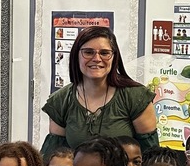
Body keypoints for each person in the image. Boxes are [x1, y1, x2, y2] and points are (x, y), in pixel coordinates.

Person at [41, 26, 158, 158]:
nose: (97, 58)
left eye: (104, 53)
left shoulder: (136, 97)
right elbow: (54, 159)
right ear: (76, 55)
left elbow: (152, 158)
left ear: (114, 57)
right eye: (88, 52)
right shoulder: (60, 101)